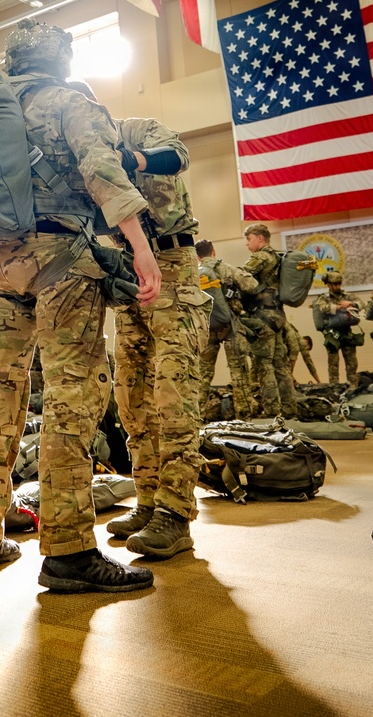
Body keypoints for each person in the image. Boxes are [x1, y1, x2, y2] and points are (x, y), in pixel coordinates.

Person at [0, 19, 159, 593]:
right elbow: (104, 173)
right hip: (64, 261)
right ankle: (69, 549)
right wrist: (140, 249)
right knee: (72, 397)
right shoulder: (68, 101)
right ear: (61, 61)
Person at [104, 117, 210, 560]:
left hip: (174, 262)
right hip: (126, 273)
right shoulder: (80, 149)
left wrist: (128, 159)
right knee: (131, 398)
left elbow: (177, 157)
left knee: (173, 392)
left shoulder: (137, 131)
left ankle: (176, 511)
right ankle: (148, 499)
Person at [195, 237, 259, 420]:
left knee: (203, 375)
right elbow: (252, 286)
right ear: (213, 251)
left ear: (198, 257)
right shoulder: (226, 269)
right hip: (231, 326)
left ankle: (197, 419)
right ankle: (244, 418)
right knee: (239, 372)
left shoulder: (195, 273)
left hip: (207, 329)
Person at [241, 226, 298, 417]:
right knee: (280, 365)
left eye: (249, 239)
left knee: (264, 365)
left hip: (262, 317)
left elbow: (241, 277)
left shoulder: (262, 257)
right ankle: (290, 409)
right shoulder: (278, 257)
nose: (247, 243)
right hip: (277, 315)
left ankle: (272, 412)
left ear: (260, 238)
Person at [312, 271, 363, 384]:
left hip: (346, 333)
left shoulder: (347, 296)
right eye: (334, 284)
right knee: (333, 365)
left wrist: (351, 304)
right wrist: (339, 307)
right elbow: (322, 308)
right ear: (329, 285)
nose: (337, 286)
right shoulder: (324, 297)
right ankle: (334, 389)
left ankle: (353, 388)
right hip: (332, 334)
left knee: (352, 364)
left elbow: (361, 303)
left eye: (339, 284)